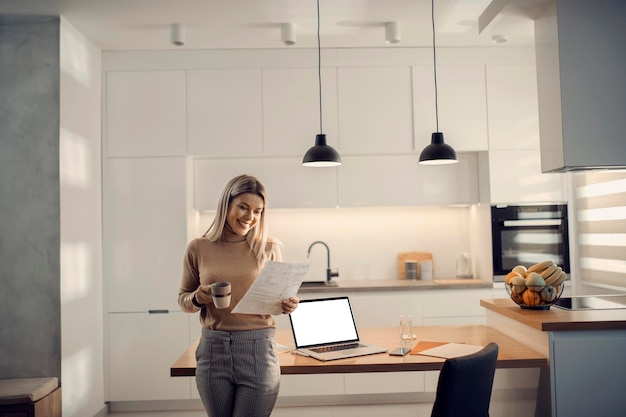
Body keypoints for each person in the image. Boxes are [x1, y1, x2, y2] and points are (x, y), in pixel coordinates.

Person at [178, 174, 299, 417]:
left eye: (258, 211)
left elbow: (276, 300)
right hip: (213, 349)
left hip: (258, 350)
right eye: (243, 207)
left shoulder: (269, 247)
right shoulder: (198, 247)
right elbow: (184, 300)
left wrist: (286, 304)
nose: (250, 217)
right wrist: (197, 299)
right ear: (227, 205)